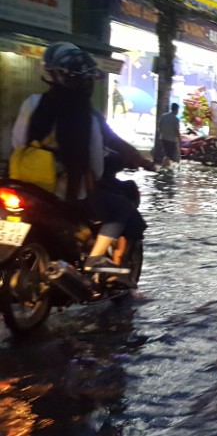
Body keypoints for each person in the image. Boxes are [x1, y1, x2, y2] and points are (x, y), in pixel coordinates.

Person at [11, 43, 153, 274]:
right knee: (122, 208)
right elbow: (95, 167)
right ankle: (95, 258)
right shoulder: (86, 117)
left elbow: (17, 143)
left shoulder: (32, 104)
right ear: (85, 83)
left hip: (26, 186)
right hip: (67, 194)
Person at [156, 102, 181, 167]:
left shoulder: (164, 116)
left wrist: (162, 133)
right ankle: (164, 166)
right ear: (176, 110)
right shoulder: (175, 119)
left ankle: (165, 166)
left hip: (163, 138)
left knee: (166, 153)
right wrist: (179, 140)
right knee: (169, 155)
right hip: (171, 140)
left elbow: (159, 127)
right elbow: (176, 131)